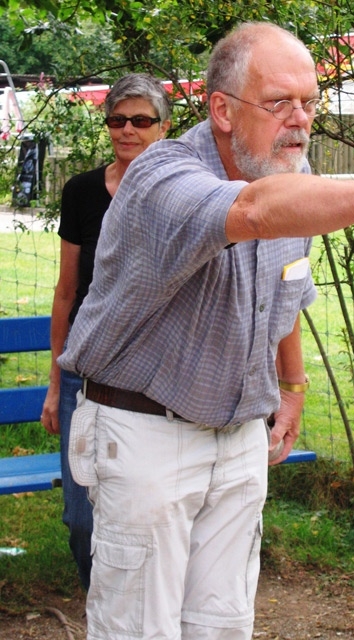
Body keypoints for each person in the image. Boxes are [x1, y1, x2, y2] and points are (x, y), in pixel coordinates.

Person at [58, 22, 354, 640]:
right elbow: (251, 212)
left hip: (239, 441)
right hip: (146, 436)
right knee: (139, 630)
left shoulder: (294, 178)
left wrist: (293, 387)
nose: (300, 119)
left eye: (309, 102)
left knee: (223, 626)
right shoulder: (160, 177)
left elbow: (285, 290)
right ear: (222, 110)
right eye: (279, 102)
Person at [40, 73, 171, 591]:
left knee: (146, 512)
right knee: (82, 518)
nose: (127, 130)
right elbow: (65, 292)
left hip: (151, 379)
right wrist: (55, 385)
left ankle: (136, 609)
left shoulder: (180, 194)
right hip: (85, 370)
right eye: (117, 120)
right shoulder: (82, 192)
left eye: (140, 120)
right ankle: (102, 603)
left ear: (163, 127)